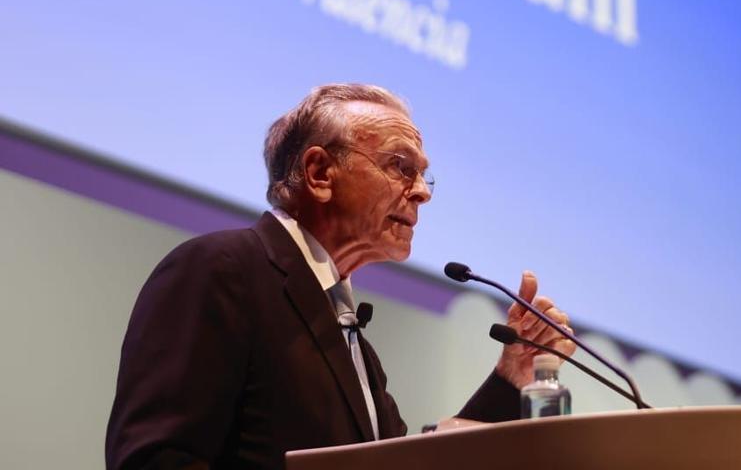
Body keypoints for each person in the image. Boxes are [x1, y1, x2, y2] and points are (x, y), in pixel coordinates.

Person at [106, 83, 574, 469]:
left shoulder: (352, 341)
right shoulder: (221, 271)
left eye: (422, 175)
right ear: (319, 173)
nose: (421, 194)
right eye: (400, 166)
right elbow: (153, 459)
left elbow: (407, 466)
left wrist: (510, 378)